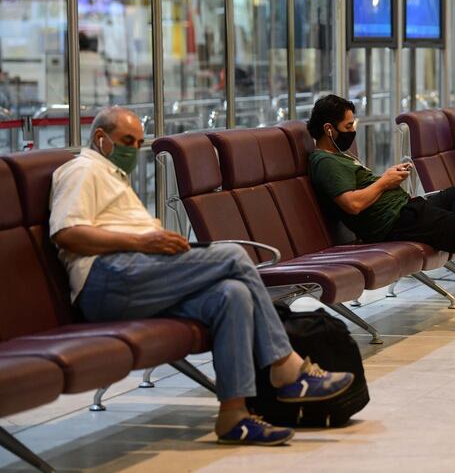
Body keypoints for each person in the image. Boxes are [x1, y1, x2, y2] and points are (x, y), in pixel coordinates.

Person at [50, 107, 355, 447]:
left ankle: (233, 417)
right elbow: (68, 233)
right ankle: (285, 365)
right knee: (233, 255)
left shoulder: (112, 176)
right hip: (107, 280)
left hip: (138, 277)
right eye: (125, 141)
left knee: (232, 294)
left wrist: (160, 245)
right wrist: (142, 241)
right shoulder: (82, 169)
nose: (133, 150)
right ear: (100, 138)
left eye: (138, 142)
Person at [306, 95, 455, 333]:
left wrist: (388, 179)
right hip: (395, 220)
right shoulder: (326, 162)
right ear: (329, 129)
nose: (352, 131)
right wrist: (385, 182)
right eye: (348, 126)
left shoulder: (339, 157)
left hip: (406, 208)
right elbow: (352, 204)